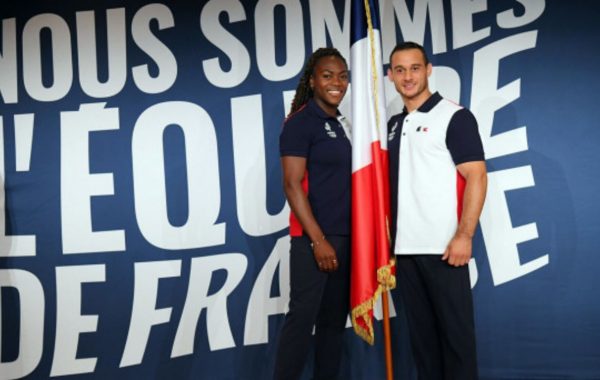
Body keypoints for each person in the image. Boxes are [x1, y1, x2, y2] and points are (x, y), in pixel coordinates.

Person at [386, 41, 487, 379]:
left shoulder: (454, 116)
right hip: (405, 252)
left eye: (414, 68)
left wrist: (464, 235)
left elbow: (476, 176)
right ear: (390, 76)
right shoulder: (393, 125)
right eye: (399, 70)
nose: (408, 76)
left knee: (457, 345)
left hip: (445, 250)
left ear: (429, 70)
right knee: (424, 347)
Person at [273, 47, 352, 380]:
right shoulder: (301, 122)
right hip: (313, 240)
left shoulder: (341, 123)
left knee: (334, 322)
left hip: (345, 237)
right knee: (302, 320)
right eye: (327, 75)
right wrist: (318, 241)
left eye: (342, 76)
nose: (337, 82)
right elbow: (292, 185)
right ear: (312, 80)